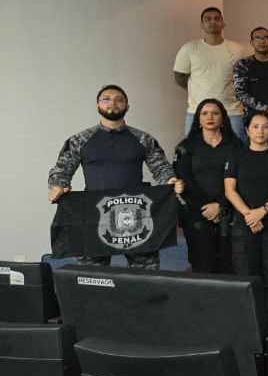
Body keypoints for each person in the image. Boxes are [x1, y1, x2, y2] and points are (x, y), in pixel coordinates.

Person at [48, 85, 183, 269]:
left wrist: (170, 180)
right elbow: (61, 169)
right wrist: (57, 185)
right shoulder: (80, 140)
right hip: (95, 215)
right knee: (92, 276)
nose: (112, 103)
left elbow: (161, 168)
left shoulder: (143, 139)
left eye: (119, 99)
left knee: (145, 275)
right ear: (97, 105)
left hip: (137, 214)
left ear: (127, 106)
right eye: (106, 99)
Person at [224, 112, 268, 329]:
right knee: (247, 274)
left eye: (265, 127)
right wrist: (250, 215)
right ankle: (251, 323)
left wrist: (262, 211)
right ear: (247, 130)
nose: (260, 131)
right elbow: (229, 190)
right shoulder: (236, 155)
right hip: (244, 222)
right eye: (255, 127)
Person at [173, 98, 241, 274]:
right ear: (198, 119)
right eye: (204, 113)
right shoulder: (186, 147)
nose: (210, 117)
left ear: (222, 118)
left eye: (215, 113)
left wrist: (220, 206)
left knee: (230, 265)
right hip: (197, 214)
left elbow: (242, 179)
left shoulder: (236, 145)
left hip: (230, 213)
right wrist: (207, 209)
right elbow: (184, 180)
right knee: (201, 265)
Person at [174, 6, 248, 140]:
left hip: (231, 110)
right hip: (198, 111)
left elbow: (244, 79)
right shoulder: (189, 49)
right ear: (201, 25)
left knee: (236, 149)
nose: (213, 22)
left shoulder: (238, 50)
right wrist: (197, 89)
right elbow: (179, 76)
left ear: (223, 23)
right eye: (208, 19)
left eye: (217, 19)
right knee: (192, 148)